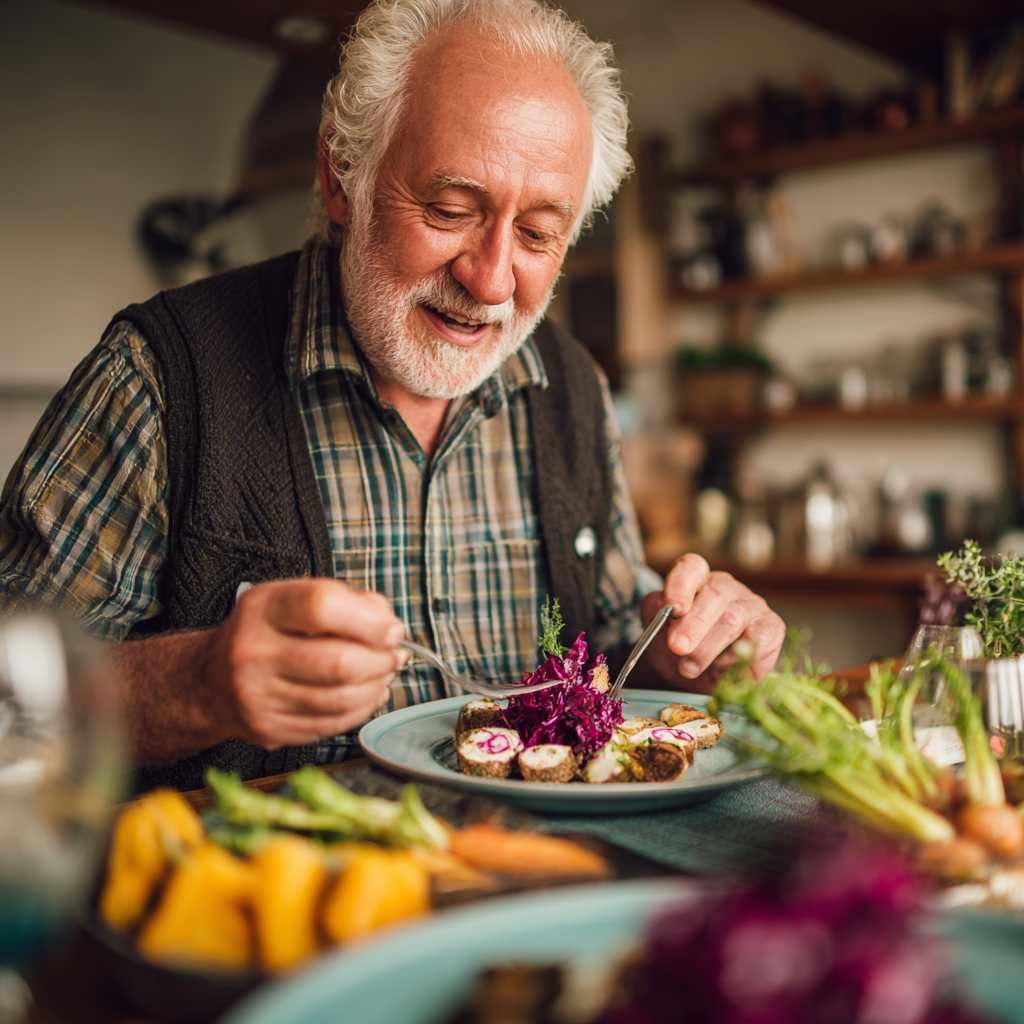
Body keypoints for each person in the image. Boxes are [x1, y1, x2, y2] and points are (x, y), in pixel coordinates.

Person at [0, 0, 785, 790]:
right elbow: (9, 700)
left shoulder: (571, 386)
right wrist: (197, 682)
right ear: (343, 177)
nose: (490, 279)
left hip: (544, 876)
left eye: (540, 234)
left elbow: (617, 649)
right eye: (449, 211)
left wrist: (693, 656)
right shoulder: (162, 376)